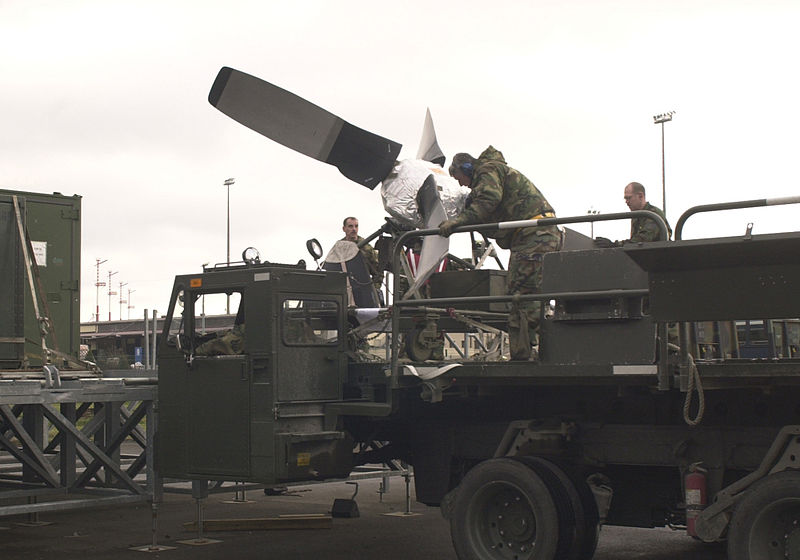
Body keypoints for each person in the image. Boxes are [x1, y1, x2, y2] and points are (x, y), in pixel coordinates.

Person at [438, 146, 561, 361]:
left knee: (522, 295)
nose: (460, 184)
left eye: (458, 177)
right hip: (537, 234)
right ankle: (538, 351)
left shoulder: (487, 170)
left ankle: (529, 354)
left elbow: (488, 200)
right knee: (528, 294)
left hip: (534, 235)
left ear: (467, 168)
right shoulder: (496, 172)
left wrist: (458, 220)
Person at [342, 217, 382, 292]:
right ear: (344, 229)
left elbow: (378, 272)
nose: (354, 229)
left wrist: (374, 290)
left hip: (362, 289)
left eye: (356, 226)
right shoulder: (339, 246)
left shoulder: (366, 247)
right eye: (350, 226)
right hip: (344, 289)